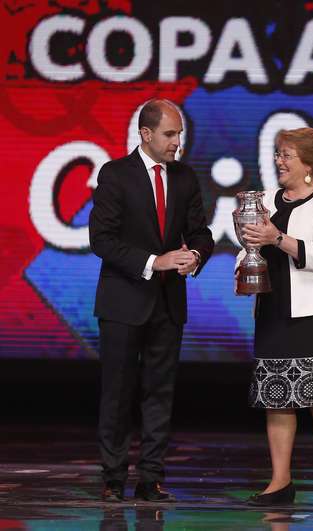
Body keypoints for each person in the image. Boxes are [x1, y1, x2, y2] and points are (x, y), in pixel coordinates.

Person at [89, 99, 214, 502]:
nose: (178, 142)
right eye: (170, 134)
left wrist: (195, 255)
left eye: (179, 134)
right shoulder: (115, 175)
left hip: (167, 302)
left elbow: (201, 232)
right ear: (146, 134)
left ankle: (151, 478)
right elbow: (102, 240)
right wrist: (153, 261)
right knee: (118, 391)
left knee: (159, 392)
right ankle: (112, 478)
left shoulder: (184, 178)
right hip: (124, 301)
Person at [237, 127, 313, 508]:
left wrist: (276, 238)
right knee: (278, 399)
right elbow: (250, 244)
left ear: (310, 164)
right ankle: (280, 481)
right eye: (277, 153)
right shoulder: (266, 200)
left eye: (286, 154)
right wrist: (245, 263)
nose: (278, 161)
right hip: (273, 309)